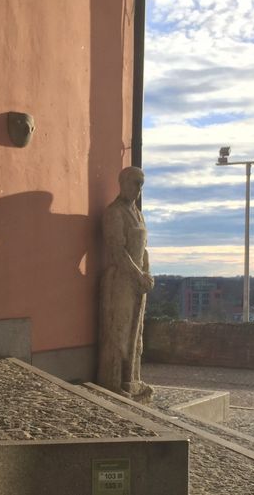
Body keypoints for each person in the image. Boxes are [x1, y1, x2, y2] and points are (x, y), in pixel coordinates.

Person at [97, 166, 155, 402]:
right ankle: (113, 381)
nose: (139, 188)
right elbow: (117, 250)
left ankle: (131, 378)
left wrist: (147, 274)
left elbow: (144, 250)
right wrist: (137, 274)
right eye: (135, 183)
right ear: (123, 183)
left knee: (136, 333)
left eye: (141, 184)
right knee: (118, 331)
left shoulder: (138, 214)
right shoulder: (114, 213)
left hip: (137, 282)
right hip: (120, 280)